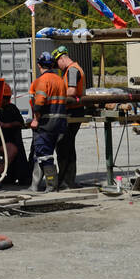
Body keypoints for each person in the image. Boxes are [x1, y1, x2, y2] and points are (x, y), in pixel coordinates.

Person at [29, 52, 67, 191]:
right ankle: (34, 186)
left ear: (39, 65)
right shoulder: (60, 80)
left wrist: (35, 119)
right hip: (60, 123)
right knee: (43, 154)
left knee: (43, 154)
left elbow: (39, 103)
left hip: (46, 123)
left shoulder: (41, 81)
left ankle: (51, 185)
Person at [53, 45, 86, 188]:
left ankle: (66, 180)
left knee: (64, 145)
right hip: (74, 111)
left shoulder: (72, 70)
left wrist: (55, 98)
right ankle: (68, 180)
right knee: (68, 144)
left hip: (73, 111)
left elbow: (71, 91)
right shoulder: (73, 69)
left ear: (62, 59)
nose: (58, 67)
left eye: (57, 64)